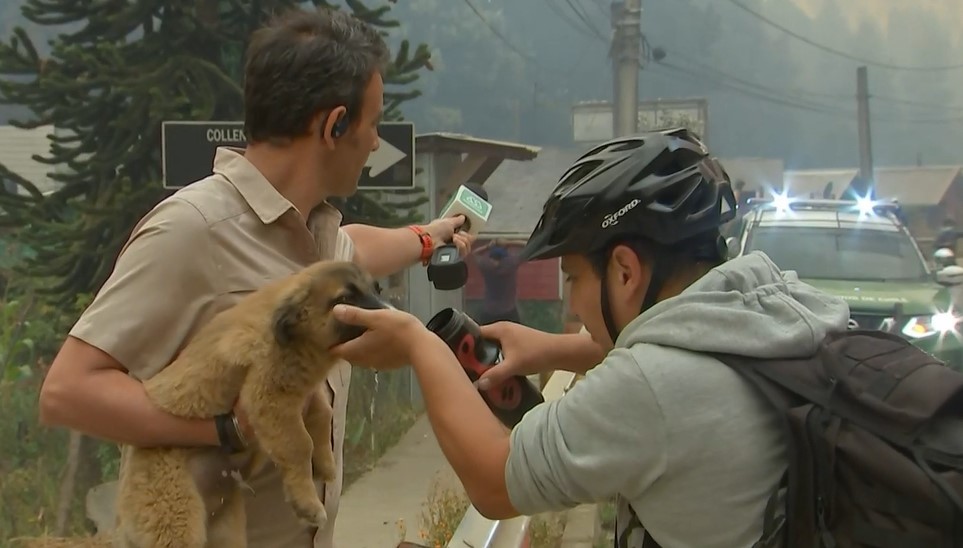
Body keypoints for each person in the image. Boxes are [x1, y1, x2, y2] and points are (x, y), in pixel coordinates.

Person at [37, 7, 471, 548]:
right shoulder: (192, 230)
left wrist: (430, 236)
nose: (377, 142)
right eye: (373, 124)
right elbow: (66, 392)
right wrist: (225, 430)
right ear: (334, 125)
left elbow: (360, 246)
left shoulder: (321, 239)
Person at [328, 128, 851, 547]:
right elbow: (700, 338)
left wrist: (419, 343)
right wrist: (558, 347)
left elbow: (493, 479)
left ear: (625, 271)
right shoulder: (787, 304)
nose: (573, 304)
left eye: (575, 277)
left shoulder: (647, 389)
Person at [472, 238, 527, 325]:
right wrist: (509, 242)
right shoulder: (510, 264)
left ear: (491, 256)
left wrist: (488, 246)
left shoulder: (486, 266)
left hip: (489, 311)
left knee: (486, 335)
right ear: (504, 257)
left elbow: (475, 253)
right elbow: (527, 246)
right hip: (509, 311)